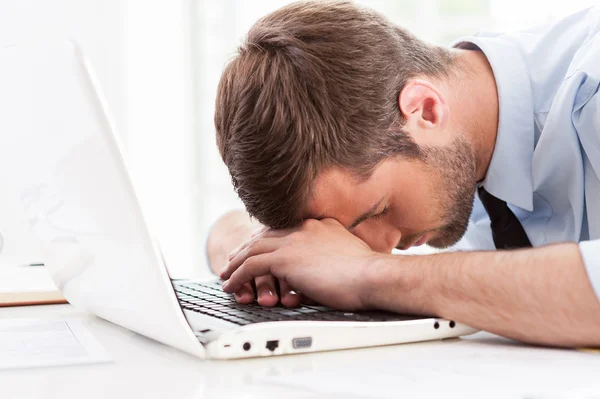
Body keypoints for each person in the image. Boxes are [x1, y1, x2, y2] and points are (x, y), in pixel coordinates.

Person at [208, 0, 600, 347]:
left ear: (425, 109)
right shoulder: (459, 152)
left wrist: (367, 273)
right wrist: (263, 254)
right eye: (346, 235)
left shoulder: (591, 84)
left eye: (378, 210)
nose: (381, 246)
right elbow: (227, 226)